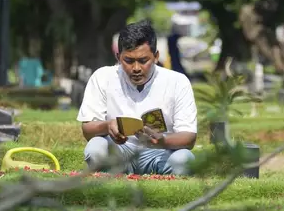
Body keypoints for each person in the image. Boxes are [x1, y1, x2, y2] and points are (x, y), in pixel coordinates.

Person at [77, 20, 197, 176]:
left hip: (160, 153)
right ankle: (112, 174)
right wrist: (107, 126)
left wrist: (162, 141)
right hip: (119, 151)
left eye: (143, 61)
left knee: (184, 159)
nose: (136, 68)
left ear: (156, 56)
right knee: (95, 148)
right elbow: (87, 129)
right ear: (118, 57)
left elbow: (189, 137)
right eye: (128, 61)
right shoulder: (102, 77)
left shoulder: (177, 81)